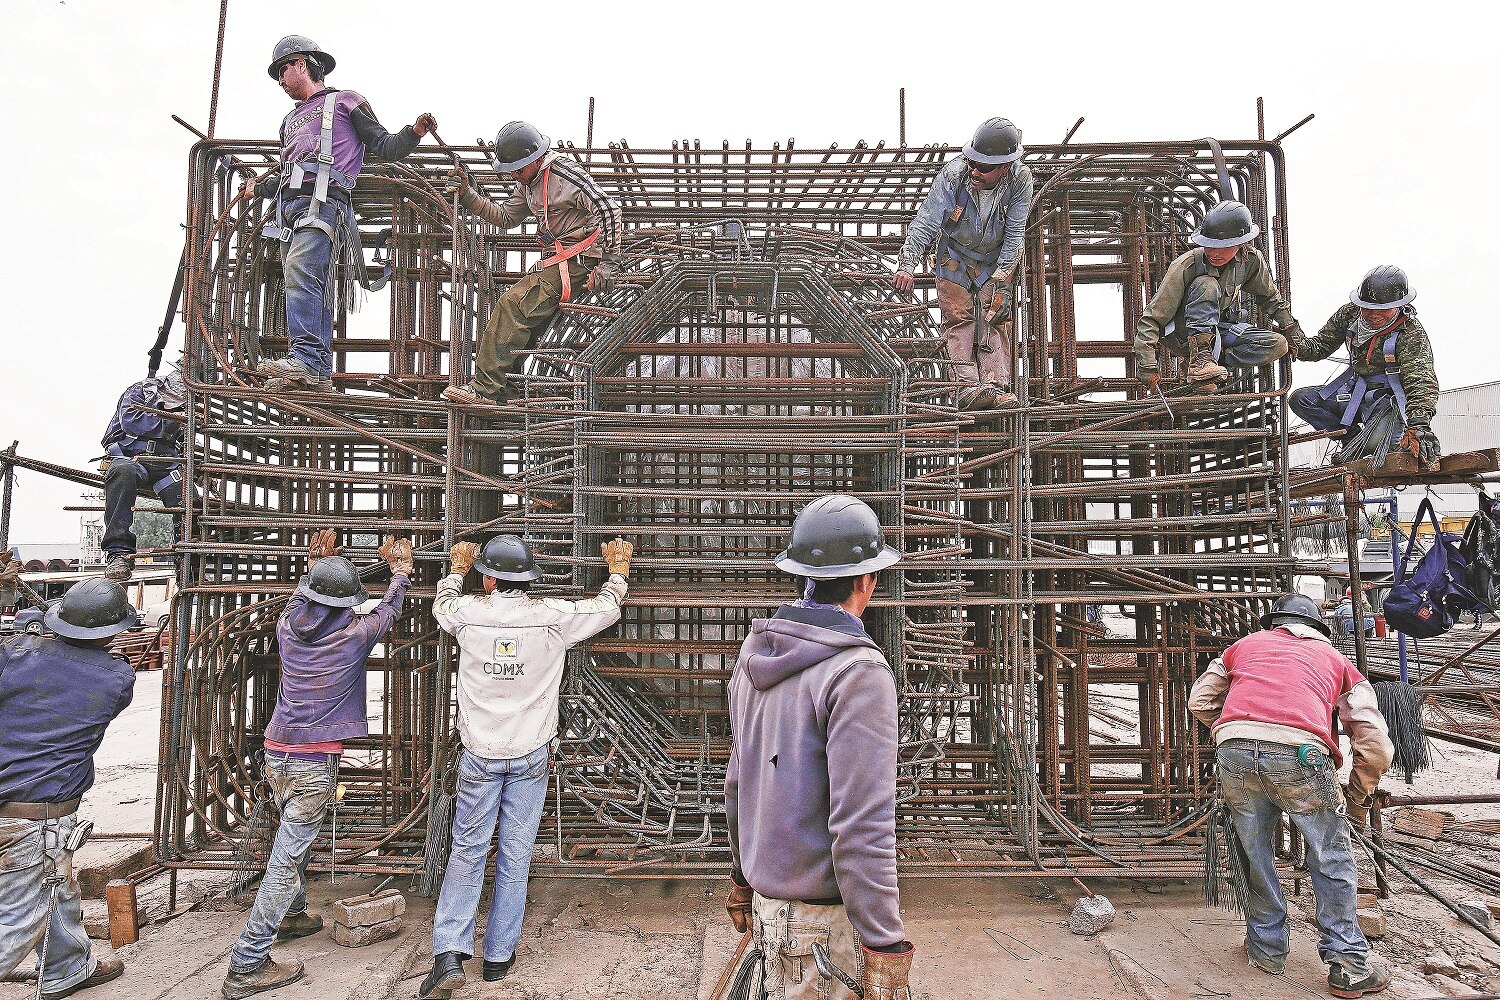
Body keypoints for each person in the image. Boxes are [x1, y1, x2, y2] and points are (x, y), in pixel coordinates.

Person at [417, 533, 632, 997]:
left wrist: (457, 568)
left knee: (468, 850)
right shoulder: (551, 619)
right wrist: (618, 570)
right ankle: (498, 958)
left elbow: (443, 602)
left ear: (488, 578)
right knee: (516, 854)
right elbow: (605, 607)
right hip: (531, 753)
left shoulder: (468, 615)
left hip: (479, 754)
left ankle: (450, 954)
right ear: (528, 577)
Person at [724, 494, 915, 999]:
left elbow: (738, 784)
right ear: (865, 581)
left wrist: (742, 880)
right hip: (825, 931)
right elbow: (862, 825)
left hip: (770, 918)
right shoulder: (858, 674)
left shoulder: (753, 663)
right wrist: (884, 945)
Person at [221, 530, 412, 999]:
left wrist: (317, 561)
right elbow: (390, 611)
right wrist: (401, 573)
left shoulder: (288, 628)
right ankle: (248, 962)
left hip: (275, 751)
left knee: (290, 840)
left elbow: (298, 599)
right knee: (286, 860)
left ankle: (293, 915)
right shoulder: (353, 636)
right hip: (312, 764)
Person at [1188, 594, 1394, 998]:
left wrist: (1235, 733)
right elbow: (1376, 746)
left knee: (1254, 852)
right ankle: (1348, 966)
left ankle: (1266, 950)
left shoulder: (1241, 647)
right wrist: (1355, 794)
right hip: (1301, 754)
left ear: (1274, 624)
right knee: (1331, 856)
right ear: (1319, 629)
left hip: (1234, 750)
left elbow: (1200, 701)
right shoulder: (1338, 663)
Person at [246, 35, 437, 392]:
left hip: (323, 203)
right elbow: (289, 175)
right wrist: (259, 187)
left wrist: (414, 132)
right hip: (288, 210)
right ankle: (315, 370)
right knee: (306, 282)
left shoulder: (345, 102)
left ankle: (304, 359)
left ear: (301, 64)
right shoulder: (289, 120)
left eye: (282, 71)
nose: (280, 81)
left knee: (301, 275)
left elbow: (384, 146)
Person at [0, 578, 138, 997]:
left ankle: (67, 968)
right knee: (19, 922)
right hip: (34, 817)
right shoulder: (115, 680)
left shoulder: (12, 656)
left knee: (56, 886)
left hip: (17, 808)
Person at [441, 122, 624, 406]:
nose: (515, 174)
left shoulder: (564, 175)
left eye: (519, 168)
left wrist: (608, 263)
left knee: (512, 306)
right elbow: (505, 217)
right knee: (525, 322)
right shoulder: (527, 184)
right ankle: (507, 390)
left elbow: (608, 208)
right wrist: (467, 195)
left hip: (580, 259)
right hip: (560, 259)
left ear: (536, 158)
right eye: (511, 169)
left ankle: (485, 389)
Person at [894, 118, 1033, 409]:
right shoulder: (954, 175)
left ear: (1004, 167)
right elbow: (927, 221)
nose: (974, 170)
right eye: (972, 161)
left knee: (994, 317)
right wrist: (907, 264)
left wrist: (1003, 279)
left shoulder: (1020, 181)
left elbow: (1015, 233)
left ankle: (995, 387)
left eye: (983, 167)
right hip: (953, 255)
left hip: (994, 259)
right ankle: (965, 387)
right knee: (958, 318)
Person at [1135, 201, 1303, 393]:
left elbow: (1270, 297)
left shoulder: (1250, 261)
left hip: (1216, 332)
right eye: (1208, 246)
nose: (1212, 252)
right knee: (1206, 284)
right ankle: (1199, 362)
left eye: (1221, 246)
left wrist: (1291, 329)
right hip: (1182, 334)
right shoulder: (1185, 266)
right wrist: (1148, 365)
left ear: (1240, 244)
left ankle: (1206, 366)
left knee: (1278, 345)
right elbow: (1151, 319)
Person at [1290, 266, 1440, 471]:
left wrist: (1419, 424)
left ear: (1400, 305)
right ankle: (1350, 439)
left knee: (1373, 446)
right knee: (1302, 399)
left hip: (1386, 401)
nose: (1373, 315)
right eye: (1367, 308)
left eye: (1382, 309)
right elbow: (1319, 347)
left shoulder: (1411, 333)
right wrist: (1290, 339)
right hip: (1353, 393)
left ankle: (1379, 439)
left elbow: (1421, 381)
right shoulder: (1349, 315)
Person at [98, 370, 190, 582]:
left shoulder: (187, 406)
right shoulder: (138, 392)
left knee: (186, 494)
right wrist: (171, 421)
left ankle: (187, 558)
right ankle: (118, 553)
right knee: (122, 472)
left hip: (165, 463)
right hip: (132, 458)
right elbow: (133, 422)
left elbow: (187, 443)